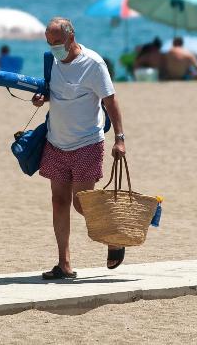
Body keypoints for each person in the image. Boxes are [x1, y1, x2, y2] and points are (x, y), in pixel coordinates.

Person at [32, 17, 127, 280]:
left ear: (71, 37)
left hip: (87, 142)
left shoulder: (93, 64)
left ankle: (113, 237)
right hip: (56, 141)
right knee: (58, 201)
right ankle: (64, 264)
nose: (53, 48)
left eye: (57, 42)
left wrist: (120, 138)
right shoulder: (51, 61)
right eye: (49, 43)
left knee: (82, 202)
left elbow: (111, 100)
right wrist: (42, 97)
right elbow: (54, 92)